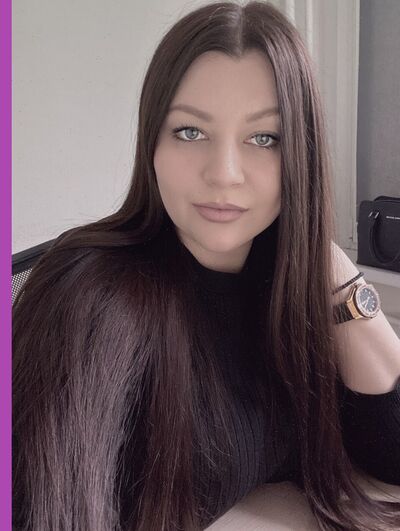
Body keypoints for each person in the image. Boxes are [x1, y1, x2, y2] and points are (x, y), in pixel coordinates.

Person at [12, 1, 400, 530]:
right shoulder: (88, 296)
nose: (224, 173)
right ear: (152, 143)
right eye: (191, 132)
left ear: (301, 158)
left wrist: (336, 272)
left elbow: (389, 452)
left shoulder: (283, 281)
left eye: (264, 138)